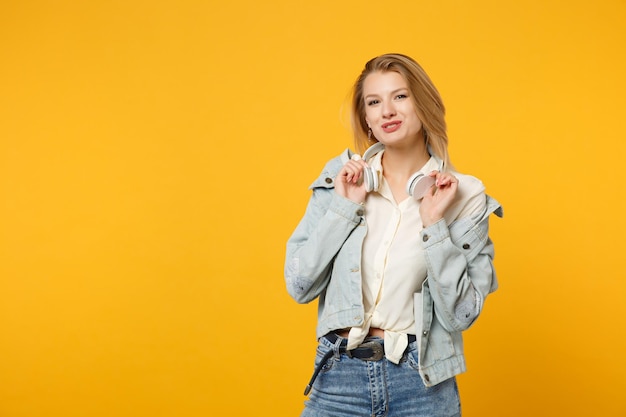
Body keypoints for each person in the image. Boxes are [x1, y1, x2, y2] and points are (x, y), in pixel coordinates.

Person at [284, 53, 502, 417]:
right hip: (339, 379)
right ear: (367, 119)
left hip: (422, 384)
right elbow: (299, 285)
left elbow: (461, 314)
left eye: (400, 96)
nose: (387, 110)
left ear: (423, 103)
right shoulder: (341, 180)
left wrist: (434, 224)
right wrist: (343, 208)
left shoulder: (465, 195)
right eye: (374, 102)